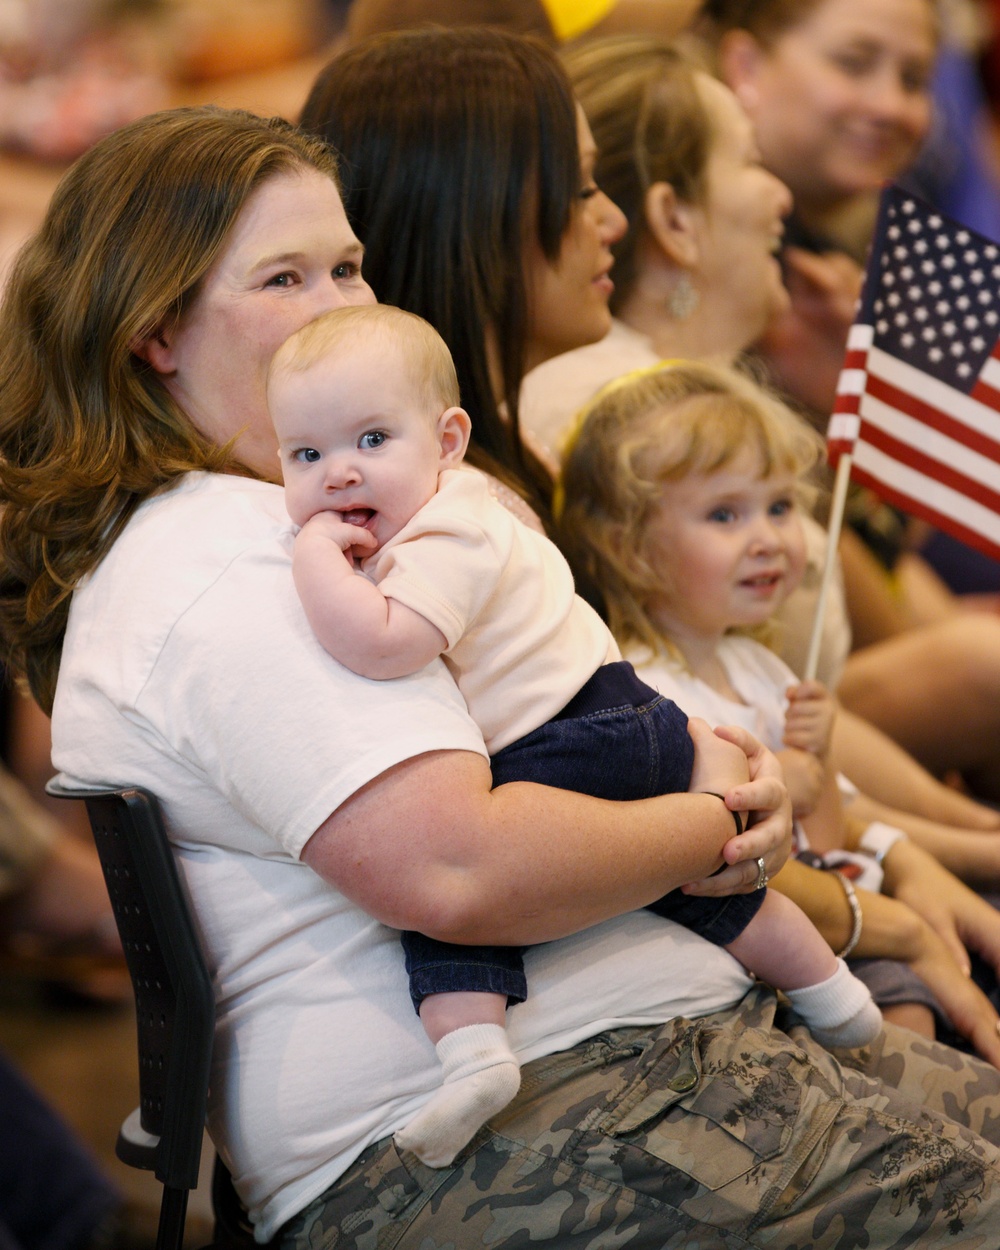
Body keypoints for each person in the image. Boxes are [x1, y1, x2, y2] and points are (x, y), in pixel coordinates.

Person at [0, 48, 999, 1244]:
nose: (340, 309)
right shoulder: (231, 554)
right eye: (284, 278)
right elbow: (456, 870)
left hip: (629, 1079)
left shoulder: (306, 517)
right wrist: (720, 818)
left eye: (348, 265)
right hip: (508, 1136)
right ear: (155, 331)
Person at [269, 302, 880, 1167]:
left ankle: (475, 1057)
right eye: (306, 454)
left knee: (459, 912)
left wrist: (312, 560)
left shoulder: (452, 528)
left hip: (575, 730)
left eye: (371, 442)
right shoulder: (467, 507)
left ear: (447, 441)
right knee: (701, 892)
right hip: (631, 718)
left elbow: (381, 643)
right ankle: (835, 994)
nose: (338, 476)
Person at [520, 30, 1000, 853]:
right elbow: (759, 726)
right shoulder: (616, 413)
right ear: (674, 219)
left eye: (917, 76)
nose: (779, 192)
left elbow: (814, 676)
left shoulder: (709, 395)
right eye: (748, 161)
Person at [556, 355, 1000, 1048]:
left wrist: (813, 763)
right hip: (778, 949)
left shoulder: (755, 663)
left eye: (781, 506)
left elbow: (822, 838)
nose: (768, 538)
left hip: (838, 892)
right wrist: (783, 782)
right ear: (629, 547)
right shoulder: (646, 696)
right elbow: (732, 862)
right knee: (904, 1010)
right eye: (725, 513)